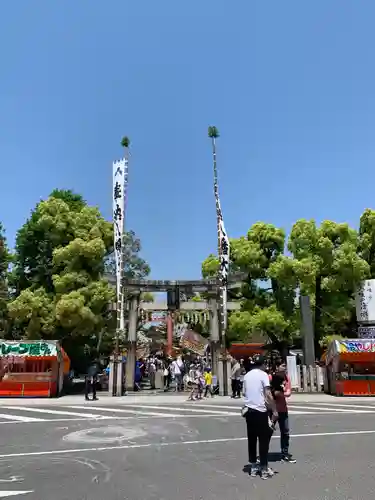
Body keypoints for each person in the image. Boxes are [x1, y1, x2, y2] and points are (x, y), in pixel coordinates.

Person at [243, 355, 277, 480]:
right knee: (263, 439)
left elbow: (245, 393)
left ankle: (253, 466)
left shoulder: (247, 375)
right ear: (263, 364)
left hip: (248, 410)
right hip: (260, 410)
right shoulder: (263, 375)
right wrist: (274, 410)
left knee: (252, 438)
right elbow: (268, 394)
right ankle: (263, 467)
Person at [270, 359, 295, 463]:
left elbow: (288, 392)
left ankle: (285, 453)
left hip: (283, 409)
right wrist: (277, 393)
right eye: (282, 365)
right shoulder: (270, 378)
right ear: (277, 367)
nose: (285, 367)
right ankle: (263, 454)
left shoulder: (286, 378)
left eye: (285, 365)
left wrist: (280, 393)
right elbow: (268, 393)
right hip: (272, 409)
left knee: (285, 431)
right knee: (268, 431)